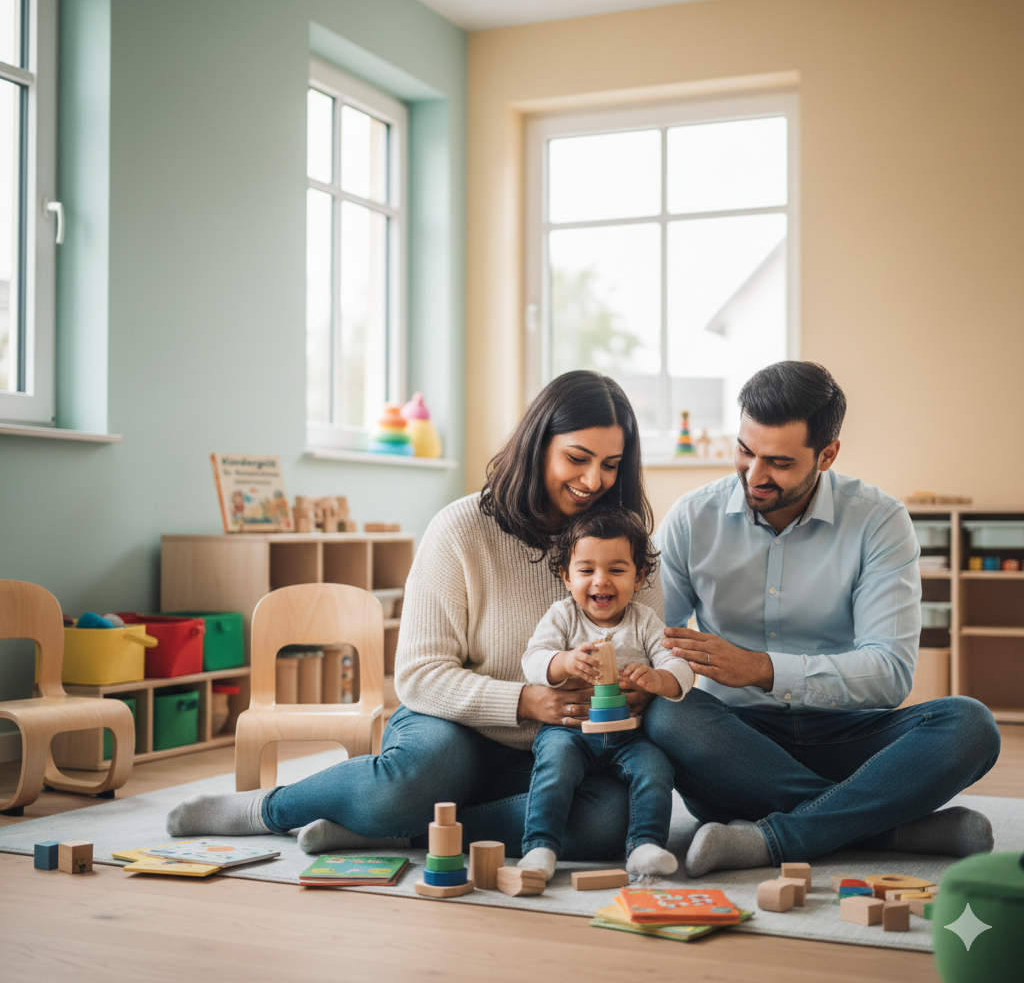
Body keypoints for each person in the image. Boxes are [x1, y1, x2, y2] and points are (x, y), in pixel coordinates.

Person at [167, 370, 663, 859]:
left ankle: (404, 833)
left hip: (563, 746)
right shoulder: (462, 528)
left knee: (611, 820)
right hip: (454, 730)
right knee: (404, 787)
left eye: (612, 464)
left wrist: (640, 686)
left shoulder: (631, 550)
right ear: (538, 446)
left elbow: (648, 654)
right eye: (577, 458)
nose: (594, 480)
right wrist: (527, 700)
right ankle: (267, 808)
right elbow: (418, 675)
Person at [644, 361, 1002, 876]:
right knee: (668, 714)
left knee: (970, 725)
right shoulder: (692, 518)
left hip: (850, 738)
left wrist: (763, 669)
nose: (754, 474)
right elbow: (652, 638)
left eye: (780, 462)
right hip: (738, 744)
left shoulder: (879, 521)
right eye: (745, 450)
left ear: (827, 454)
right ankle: (885, 826)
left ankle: (778, 836)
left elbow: (890, 675)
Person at [517, 506, 694, 881]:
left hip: (629, 732)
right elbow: (532, 660)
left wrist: (659, 679)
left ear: (639, 575)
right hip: (572, 730)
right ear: (566, 576)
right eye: (586, 570)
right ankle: (540, 847)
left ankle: (645, 846)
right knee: (554, 765)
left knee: (656, 767)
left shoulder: (644, 620)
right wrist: (563, 662)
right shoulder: (563, 616)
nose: (601, 582)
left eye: (616, 570)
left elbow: (680, 665)